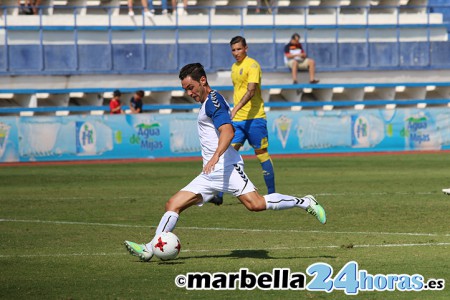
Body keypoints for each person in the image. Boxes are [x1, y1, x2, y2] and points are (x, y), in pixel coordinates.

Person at [124, 63, 326, 262]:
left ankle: (306, 202)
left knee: (255, 204)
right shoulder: (207, 103)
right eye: (185, 89)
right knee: (173, 204)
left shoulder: (213, 101)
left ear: (202, 80)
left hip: (227, 169)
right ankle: (150, 249)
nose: (189, 93)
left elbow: (228, 131)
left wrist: (215, 156)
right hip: (210, 173)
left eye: (191, 87)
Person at [210, 36, 275, 206]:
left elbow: (251, 90)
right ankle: (219, 195)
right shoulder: (234, 67)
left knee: (262, 155)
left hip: (255, 118)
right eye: (233, 50)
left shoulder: (252, 65)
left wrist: (236, 107)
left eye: (239, 49)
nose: (236, 53)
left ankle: (273, 194)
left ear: (246, 48)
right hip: (238, 121)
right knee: (226, 154)